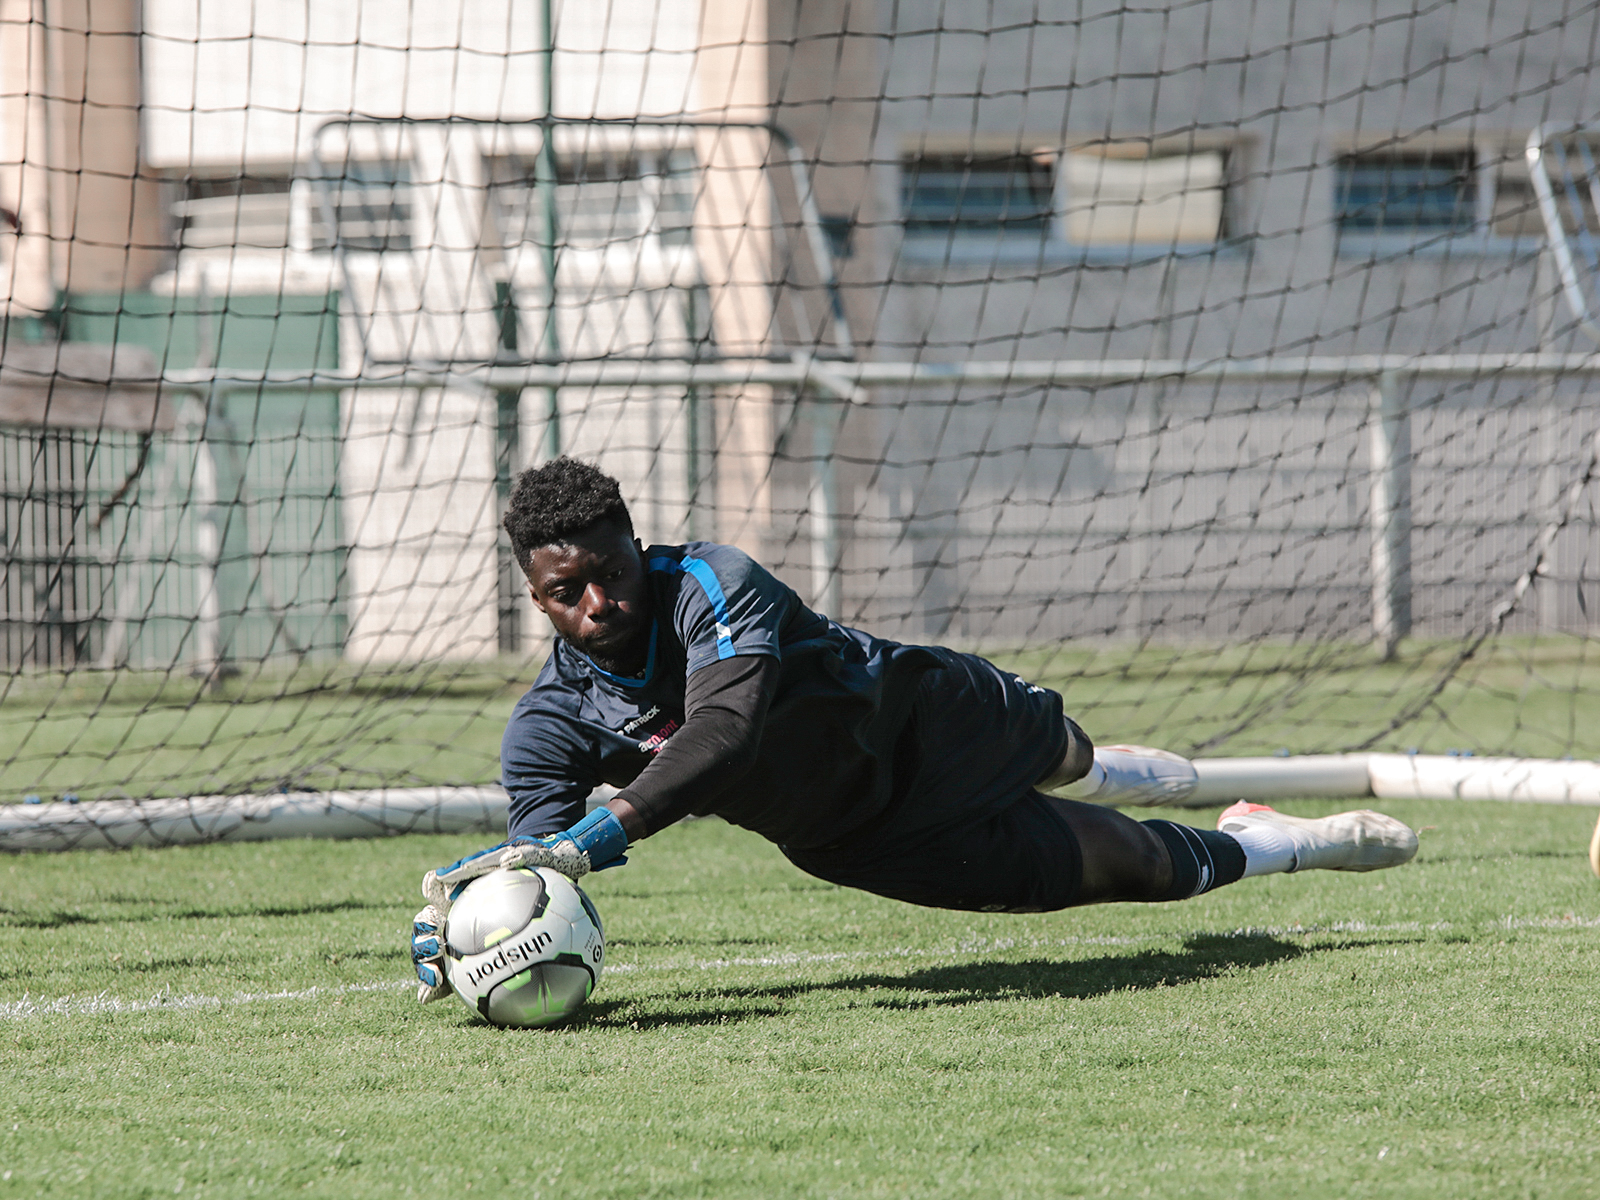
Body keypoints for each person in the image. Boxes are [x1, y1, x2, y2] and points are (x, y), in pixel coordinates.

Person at [410, 457, 1418, 1001]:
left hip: (930, 721)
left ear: (639, 543)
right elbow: (537, 858)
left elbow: (725, 732)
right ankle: (1268, 841)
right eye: (564, 591)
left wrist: (593, 836)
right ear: (534, 597)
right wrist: (475, 927)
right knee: (1143, 873)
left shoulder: (712, 583)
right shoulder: (547, 725)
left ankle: (1103, 767)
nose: (596, 601)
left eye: (609, 571)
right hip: (855, 837)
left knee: (1065, 755)